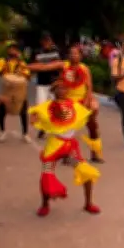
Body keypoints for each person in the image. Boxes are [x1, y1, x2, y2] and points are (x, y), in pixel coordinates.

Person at [29, 81, 101, 217]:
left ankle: (88, 204)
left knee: (85, 171)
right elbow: (33, 119)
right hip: (54, 145)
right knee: (47, 172)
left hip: (70, 148)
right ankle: (44, 204)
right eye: (59, 88)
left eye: (65, 88)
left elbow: (89, 117)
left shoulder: (75, 106)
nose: (63, 90)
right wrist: (35, 117)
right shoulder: (46, 107)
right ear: (54, 90)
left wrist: (94, 109)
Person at [29, 45, 105, 163]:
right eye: (71, 53)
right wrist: (26, 66)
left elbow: (89, 87)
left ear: (81, 56)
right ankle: (66, 154)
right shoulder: (63, 65)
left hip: (82, 101)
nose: (73, 55)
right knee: (66, 129)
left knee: (93, 127)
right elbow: (45, 67)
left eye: (76, 53)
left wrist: (86, 102)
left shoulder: (85, 68)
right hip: (68, 102)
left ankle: (95, 154)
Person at [0, 43, 32, 144]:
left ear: (17, 51)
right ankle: (2, 132)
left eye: (14, 49)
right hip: (7, 89)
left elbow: (28, 77)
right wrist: (3, 68)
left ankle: (25, 134)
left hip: (19, 89)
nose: (12, 51)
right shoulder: (2, 61)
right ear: (8, 51)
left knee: (23, 111)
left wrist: (22, 71)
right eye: (10, 49)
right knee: (1, 112)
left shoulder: (22, 63)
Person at [30, 32, 61, 139]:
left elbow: (58, 65)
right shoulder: (37, 52)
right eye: (45, 41)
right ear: (41, 42)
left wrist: (43, 66)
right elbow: (33, 66)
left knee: (54, 107)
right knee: (41, 106)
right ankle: (43, 127)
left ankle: (55, 128)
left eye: (48, 40)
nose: (47, 43)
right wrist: (46, 66)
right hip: (41, 83)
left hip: (54, 83)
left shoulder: (56, 51)